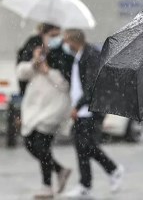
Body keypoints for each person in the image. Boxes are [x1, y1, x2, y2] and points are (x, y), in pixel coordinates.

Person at [63, 29, 124, 198]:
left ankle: (113, 169)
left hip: (90, 110)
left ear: (73, 40)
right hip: (82, 111)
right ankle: (85, 185)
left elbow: (91, 86)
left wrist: (77, 105)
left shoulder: (91, 55)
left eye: (66, 40)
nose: (65, 44)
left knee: (87, 145)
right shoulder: (79, 55)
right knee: (81, 146)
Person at [16, 23, 73, 199]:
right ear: (44, 35)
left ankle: (46, 185)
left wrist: (47, 70)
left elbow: (65, 84)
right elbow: (21, 73)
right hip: (34, 107)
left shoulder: (64, 55)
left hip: (54, 107)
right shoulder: (34, 50)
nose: (55, 39)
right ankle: (60, 170)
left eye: (58, 35)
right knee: (29, 143)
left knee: (41, 144)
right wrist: (35, 62)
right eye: (52, 35)